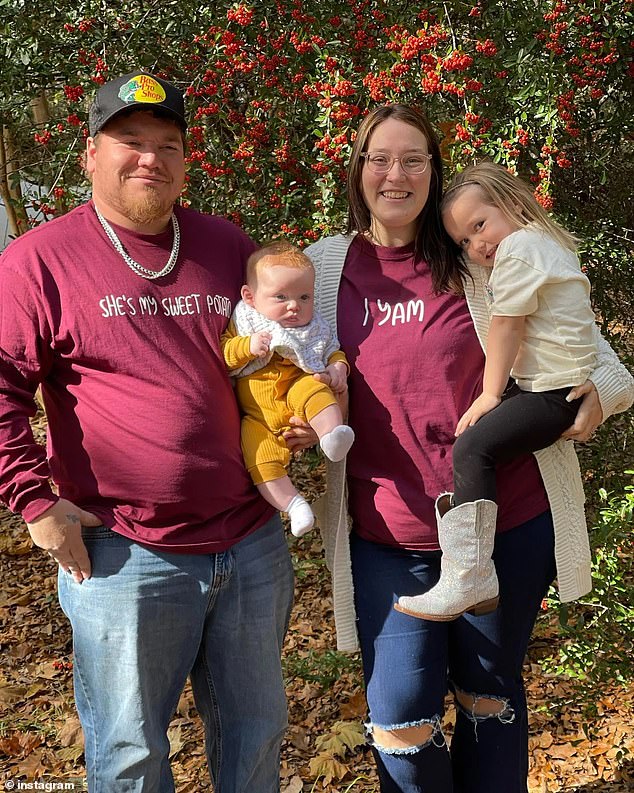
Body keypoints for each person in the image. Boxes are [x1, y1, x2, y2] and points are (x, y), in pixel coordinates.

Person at [288, 104, 634, 793]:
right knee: (399, 719)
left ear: (434, 171)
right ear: (355, 169)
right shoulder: (323, 269)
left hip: (506, 523)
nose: (396, 174)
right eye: (379, 158)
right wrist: (297, 422)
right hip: (391, 533)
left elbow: (605, 364)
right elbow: (281, 367)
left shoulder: (483, 257)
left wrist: (594, 394)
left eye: (414, 158)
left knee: (488, 698)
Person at [0, 71, 295, 792]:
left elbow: (267, 356)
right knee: (131, 754)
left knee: (255, 739)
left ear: (186, 160)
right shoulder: (38, 260)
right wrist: (34, 503)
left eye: (167, 145)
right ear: (90, 154)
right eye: (130, 142)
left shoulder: (228, 247)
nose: (149, 159)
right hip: (123, 554)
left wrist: (298, 409)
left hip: (249, 542)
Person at [395, 161, 600, 621]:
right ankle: (472, 571)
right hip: (556, 388)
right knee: (478, 449)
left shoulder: (521, 250)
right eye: (464, 241)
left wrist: (490, 394)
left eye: (480, 225)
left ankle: (469, 574)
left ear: (510, 204)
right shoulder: (539, 245)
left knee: (471, 449)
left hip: (553, 393)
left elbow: (507, 323)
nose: (477, 245)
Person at [221, 241, 354, 537]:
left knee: (314, 388)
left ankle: (332, 435)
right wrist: (247, 345)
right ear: (250, 296)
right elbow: (224, 354)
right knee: (258, 457)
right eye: (281, 297)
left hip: (295, 386)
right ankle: (294, 505)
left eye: (304, 297)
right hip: (258, 417)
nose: (294, 306)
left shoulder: (313, 325)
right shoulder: (244, 321)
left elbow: (331, 349)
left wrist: (338, 367)